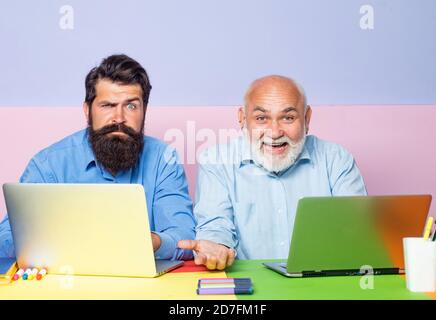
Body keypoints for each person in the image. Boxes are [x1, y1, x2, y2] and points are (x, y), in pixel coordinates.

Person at [0, 54, 195, 260]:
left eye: (131, 106)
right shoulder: (49, 165)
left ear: (144, 111)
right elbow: (6, 240)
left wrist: (153, 242)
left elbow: (185, 238)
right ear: (87, 111)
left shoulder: (163, 160)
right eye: (107, 105)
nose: (119, 118)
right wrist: (66, 241)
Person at [178, 75, 367, 270]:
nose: (275, 132)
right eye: (261, 118)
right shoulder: (216, 161)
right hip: (249, 286)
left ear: (306, 118)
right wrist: (217, 247)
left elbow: (358, 231)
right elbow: (215, 225)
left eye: (288, 118)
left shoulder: (336, 159)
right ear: (243, 118)